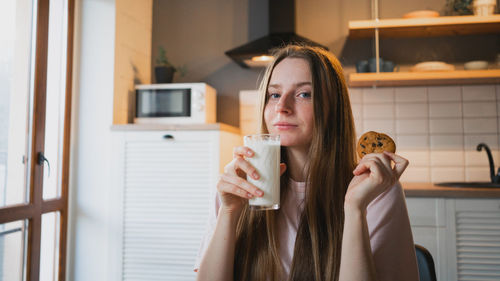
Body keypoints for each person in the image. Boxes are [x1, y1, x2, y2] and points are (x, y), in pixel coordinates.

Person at [194, 45, 419, 281]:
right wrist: (229, 212)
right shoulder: (238, 186)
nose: (282, 107)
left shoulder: (375, 190)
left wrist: (354, 209)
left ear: (334, 107)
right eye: (274, 95)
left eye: (304, 94)